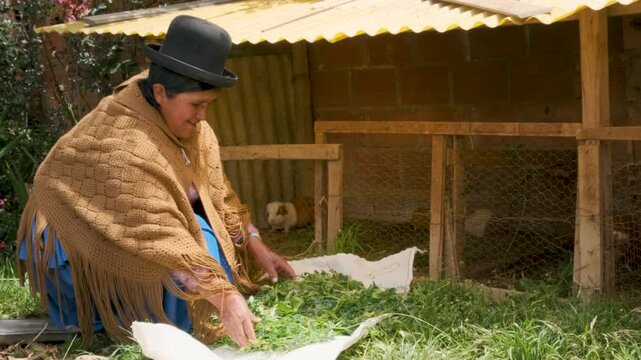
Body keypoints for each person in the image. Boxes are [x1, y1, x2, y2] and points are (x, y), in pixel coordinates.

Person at [16, 15, 296, 347]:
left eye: (208, 105)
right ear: (160, 92)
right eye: (196, 105)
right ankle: (121, 316)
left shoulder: (194, 130)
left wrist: (255, 244)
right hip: (74, 238)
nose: (203, 116)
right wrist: (224, 296)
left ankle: (179, 317)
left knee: (204, 236)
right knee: (194, 246)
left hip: (141, 226)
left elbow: (219, 198)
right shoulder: (124, 139)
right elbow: (156, 231)